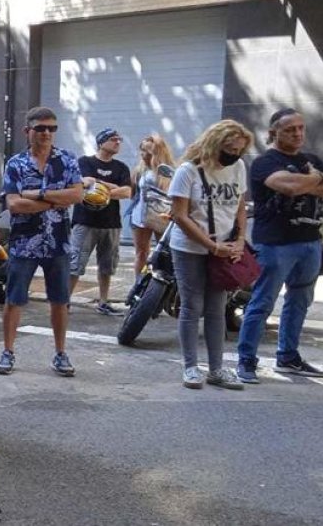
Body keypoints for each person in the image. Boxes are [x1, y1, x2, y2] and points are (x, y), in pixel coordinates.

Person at [236, 109, 323, 382]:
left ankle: (288, 357)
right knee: (262, 302)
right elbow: (288, 186)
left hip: (310, 242)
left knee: (299, 301)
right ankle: (246, 361)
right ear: (274, 132)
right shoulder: (264, 162)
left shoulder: (311, 159)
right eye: (290, 129)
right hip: (275, 244)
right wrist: (315, 180)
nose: (298, 134)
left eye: (301, 128)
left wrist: (306, 182)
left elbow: (305, 187)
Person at [0, 107, 84, 377]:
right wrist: (56, 198)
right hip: (24, 243)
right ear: (28, 131)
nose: (47, 133)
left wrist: (38, 194)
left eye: (52, 129)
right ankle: (8, 351)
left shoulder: (67, 160)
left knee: (60, 300)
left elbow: (77, 195)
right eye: (41, 128)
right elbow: (14, 204)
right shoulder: (16, 163)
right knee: (14, 299)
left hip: (58, 243)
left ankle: (60, 353)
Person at [168, 119, 252, 390]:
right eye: (229, 148)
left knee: (217, 309)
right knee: (192, 306)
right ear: (214, 144)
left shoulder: (238, 167)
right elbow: (179, 216)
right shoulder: (188, 171)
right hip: (190, 248)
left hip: (224, 248)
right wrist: (210, 244)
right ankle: (191, 367)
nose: (234, 154)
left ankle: (217, 369)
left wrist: (240, 238)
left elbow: (240, 204)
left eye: (239, 150)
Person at [68, 129, 132, 316]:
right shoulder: (84, 162)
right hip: (85, 221)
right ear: (101, 142)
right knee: (75, 263)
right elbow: (82, 186)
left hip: (111, 224)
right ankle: (65, 302)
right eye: (113, 139)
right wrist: (111, 187)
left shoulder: (121, 167)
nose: (118, 142)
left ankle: (104, 301)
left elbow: (127, 192)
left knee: (107, 265)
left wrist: (98, 187)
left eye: (119, 140)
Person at [129, 133, 175, 280]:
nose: (143, 154)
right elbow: (133, 193)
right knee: (141, 252)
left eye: (148, 151)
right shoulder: (139, 170)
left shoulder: (168, 170)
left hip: (162, 215)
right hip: (140, 216)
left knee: (163, 252)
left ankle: (158, 284)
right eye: (141, 150)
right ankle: (138, 283)